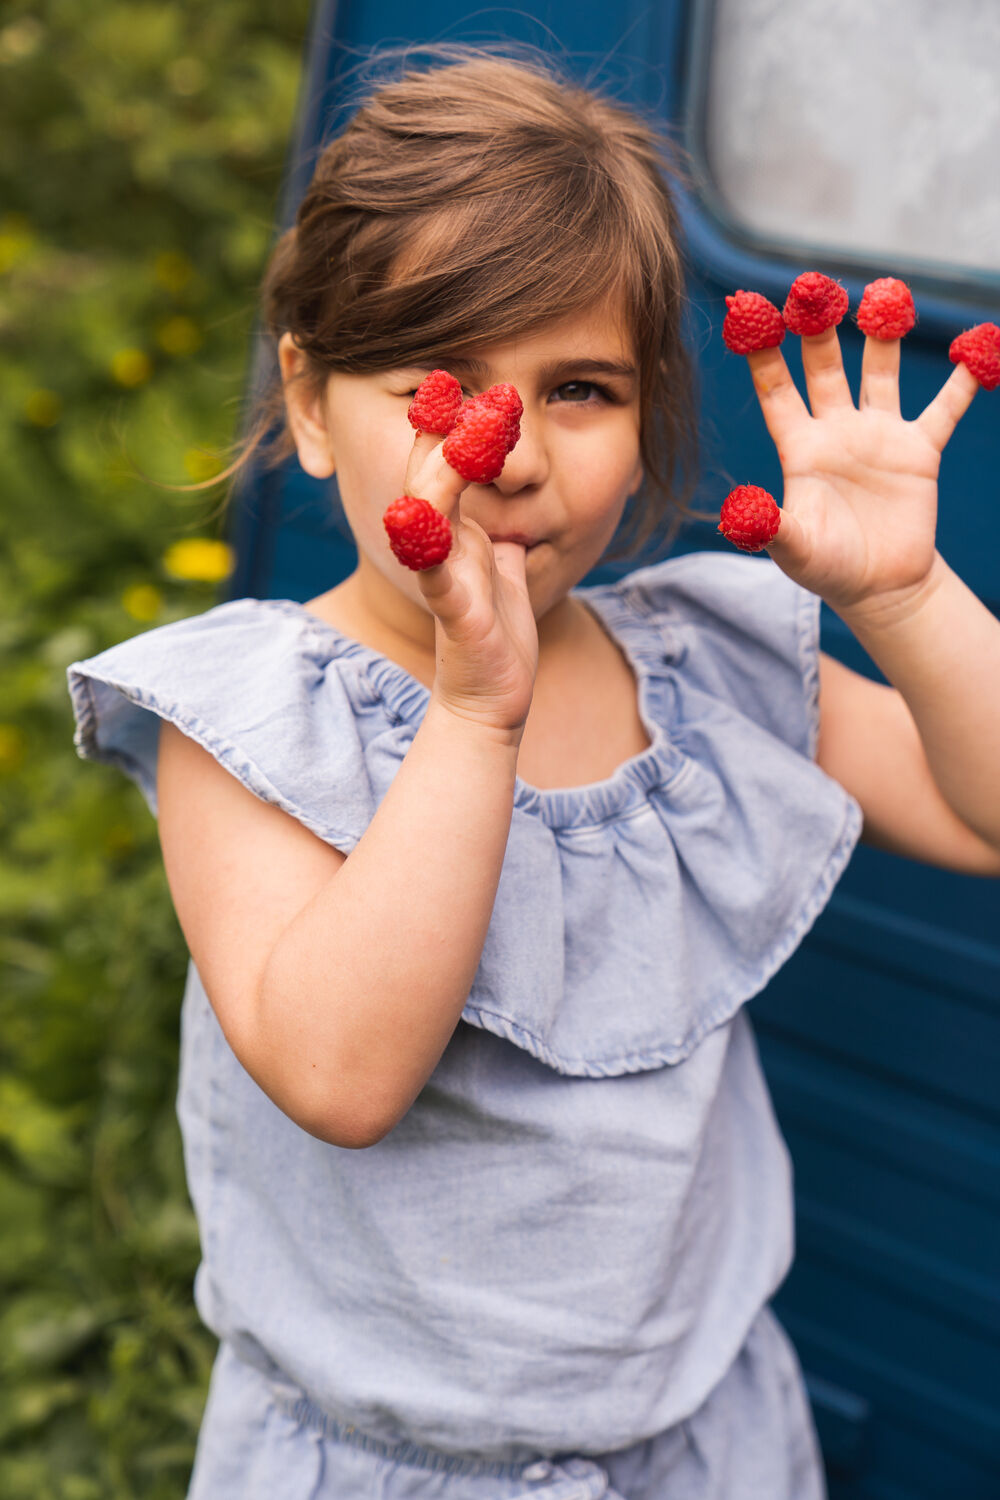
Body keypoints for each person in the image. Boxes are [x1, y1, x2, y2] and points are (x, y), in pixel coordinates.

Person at [67, 42, 1000, 1500]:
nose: (505, 454)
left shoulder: (700, 667)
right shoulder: (247, 715)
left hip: (711, 1447)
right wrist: (476, 716)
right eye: (441, 385)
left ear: (647, 426)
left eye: (578, 389)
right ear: (308, 405)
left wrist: (904, 596)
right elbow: (340, 1072)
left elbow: (982, 812)